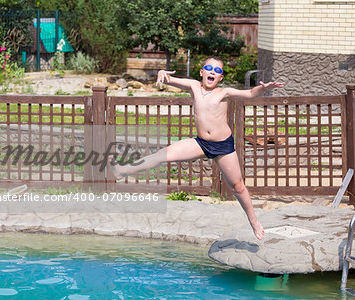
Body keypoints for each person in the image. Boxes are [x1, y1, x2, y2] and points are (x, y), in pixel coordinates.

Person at [109, 57, 285, 240]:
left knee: (238, 187)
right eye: (208, 68)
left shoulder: (224, 92)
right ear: (201, 72)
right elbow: (171, 80)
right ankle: (122, 170)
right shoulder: (194, 86)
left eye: (217, 71)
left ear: (220, 77)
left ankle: (254, 222)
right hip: (201, 143)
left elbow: (249, 94)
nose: (212, 72)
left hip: (223, 146)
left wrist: (263, 89)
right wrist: (162, 73)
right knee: (162, 154)